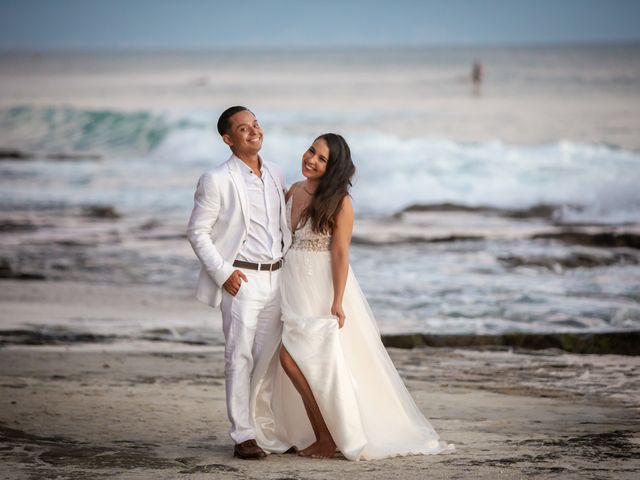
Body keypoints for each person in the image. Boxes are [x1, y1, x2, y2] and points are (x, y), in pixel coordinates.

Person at [250, 133, 454, 460]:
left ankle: (328, 437)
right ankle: (318, 433)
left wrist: (338, 300)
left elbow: (341, 253)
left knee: (299, 361)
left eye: (321, 159)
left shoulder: (340, 202)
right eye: (311, 151)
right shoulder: (292, 190)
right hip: (289, 282)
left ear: (333, 168)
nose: (311, 160)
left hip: (320, 286)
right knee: (298, 362)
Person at [187, 106, 292, 459]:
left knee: (268, 359)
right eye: (244, 128)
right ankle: (243, 435)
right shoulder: (216, 179)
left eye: (256, 124)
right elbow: (197, 231)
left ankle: (262, 427)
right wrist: (223, 273)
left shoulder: (276, 172)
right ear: (228, 139)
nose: (254, 131)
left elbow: (283, 225)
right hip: (242, 280)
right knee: (239, 356)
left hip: (278, 278)